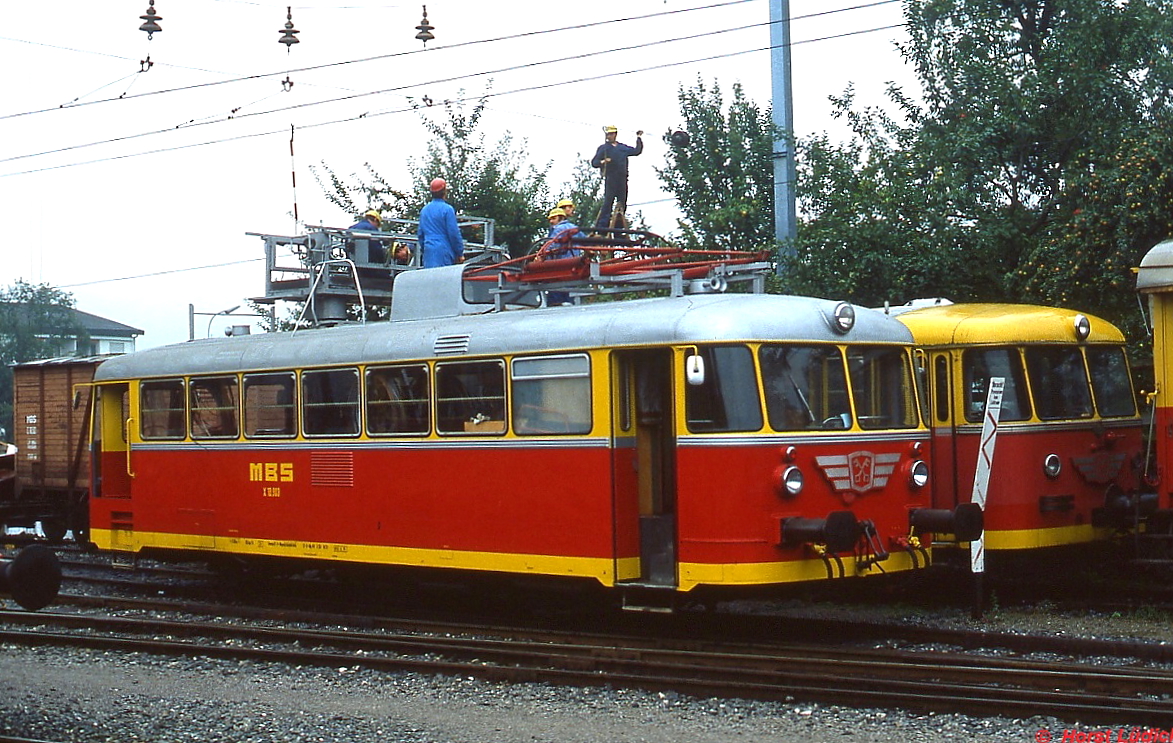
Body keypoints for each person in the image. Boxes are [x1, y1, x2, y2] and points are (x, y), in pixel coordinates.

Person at [590, 125, 643, 229]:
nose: (609, 136)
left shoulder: (622, 148)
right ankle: (603, 227)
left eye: (611, 134)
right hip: (611, 178)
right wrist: (603, 161)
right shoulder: (604, 148)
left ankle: (618, 228)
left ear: (615, 134)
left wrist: (639, 138)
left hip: (622, 178)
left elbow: (636, 151)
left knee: (622, 203)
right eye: (608, 134)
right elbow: (594, 162)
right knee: (608, 202)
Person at [417, 177, 464, 267]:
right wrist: (459, 252)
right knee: (444, 279)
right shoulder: (447, 209)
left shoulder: (424, 210)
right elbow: (453, 233)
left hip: (429, 250)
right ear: (444, 191)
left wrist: (425, 249)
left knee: (430, 278)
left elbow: (420, 234)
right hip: (444, 250)